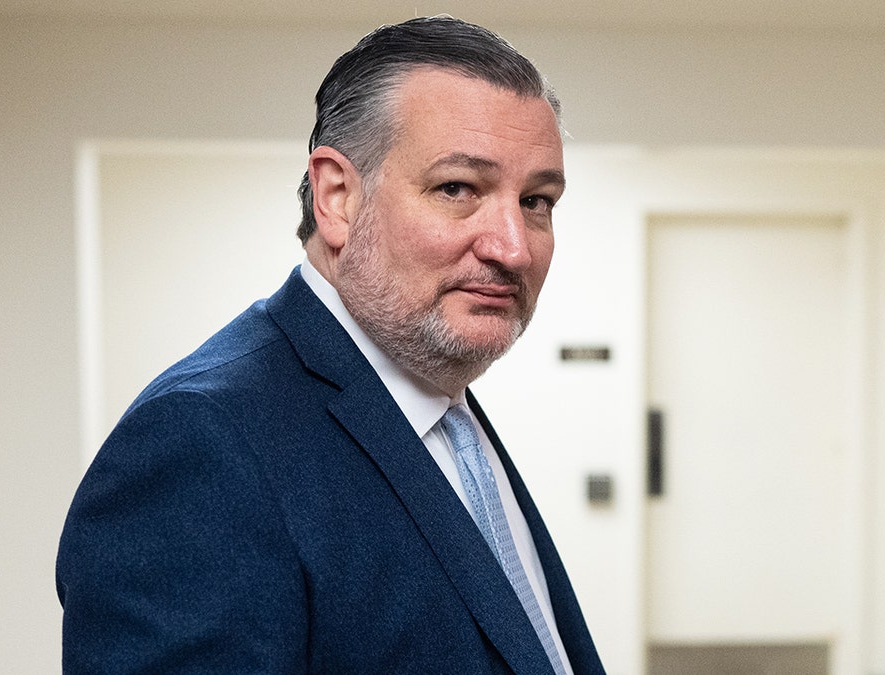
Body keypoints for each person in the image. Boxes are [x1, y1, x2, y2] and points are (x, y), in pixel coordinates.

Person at [56, 16, 604, 674]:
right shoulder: (204, 441)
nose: (513, 248)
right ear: (338, 197)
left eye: (537, 201)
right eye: (457, 188)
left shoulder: (443, 408)